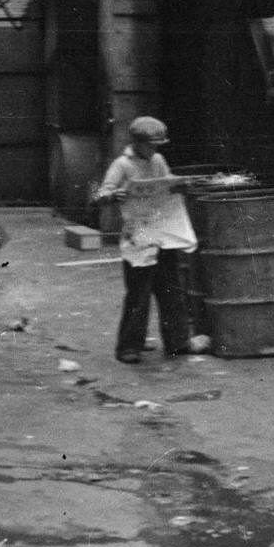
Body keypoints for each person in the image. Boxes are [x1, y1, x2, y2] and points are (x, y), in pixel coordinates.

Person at [94, 116, 196, 363]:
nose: (154, 149)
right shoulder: (122, 165)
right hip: (137, 238)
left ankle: (178, 341)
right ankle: (129, 347)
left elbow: (167, 184)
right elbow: (100, 193)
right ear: (136, 142)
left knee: (171, 289)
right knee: (138, 294)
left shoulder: (158, 160)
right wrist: (112, 195)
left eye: (157, 145)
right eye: (151, 144)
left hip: (162, 233)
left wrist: (179, 187)